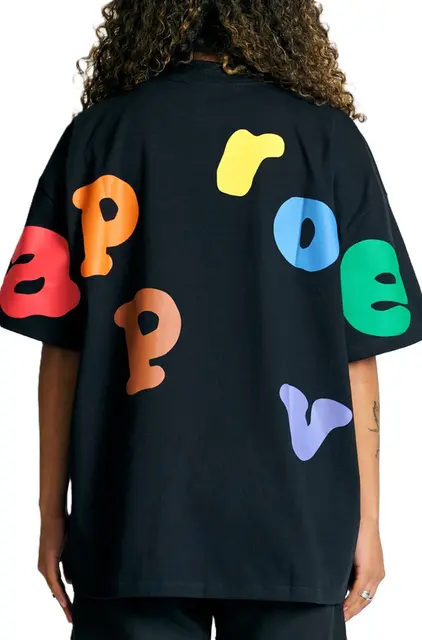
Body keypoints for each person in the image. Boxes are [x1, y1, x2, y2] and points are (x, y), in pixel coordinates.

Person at [1, 1, 422, 638]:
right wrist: (367, 521)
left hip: (133, 521)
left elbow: (61, 347)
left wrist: (51, 515)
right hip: (296, 524)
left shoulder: (100, 135)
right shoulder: (328, 140)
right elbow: (356, 351)